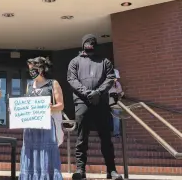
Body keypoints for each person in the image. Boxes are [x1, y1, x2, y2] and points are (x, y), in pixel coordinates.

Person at [67, 34, 123, 180]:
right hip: (81, 103)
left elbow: (110, 78)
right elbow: (71, 79)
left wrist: (98, 92)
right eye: (87, 43)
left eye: (92, 43)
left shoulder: (105, 61)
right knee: (81, 138)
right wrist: (87, 93)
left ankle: (111, 170)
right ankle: (80, 169)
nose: (90, 45)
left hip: (101, 103)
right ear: (83, 44)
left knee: (105, 138)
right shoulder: (75, 62)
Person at [20, 57, 64, 180]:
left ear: (41, 68)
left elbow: (61, 105)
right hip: (30, 127)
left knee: (46, 152)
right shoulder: (29, 85)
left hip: (46, 127)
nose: (31, 71)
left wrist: (51, 107)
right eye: (30, 69)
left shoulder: (52, 83)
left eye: (33, 68)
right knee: (30, 152)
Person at [109, 73, 124, 138]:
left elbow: (120, 92)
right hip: (107, 102)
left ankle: (116, 133)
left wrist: (120, 93)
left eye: (116, 78)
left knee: (116, 117)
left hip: (115, 102)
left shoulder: (117, 84)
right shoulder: (106, 83)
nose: (116, 79)